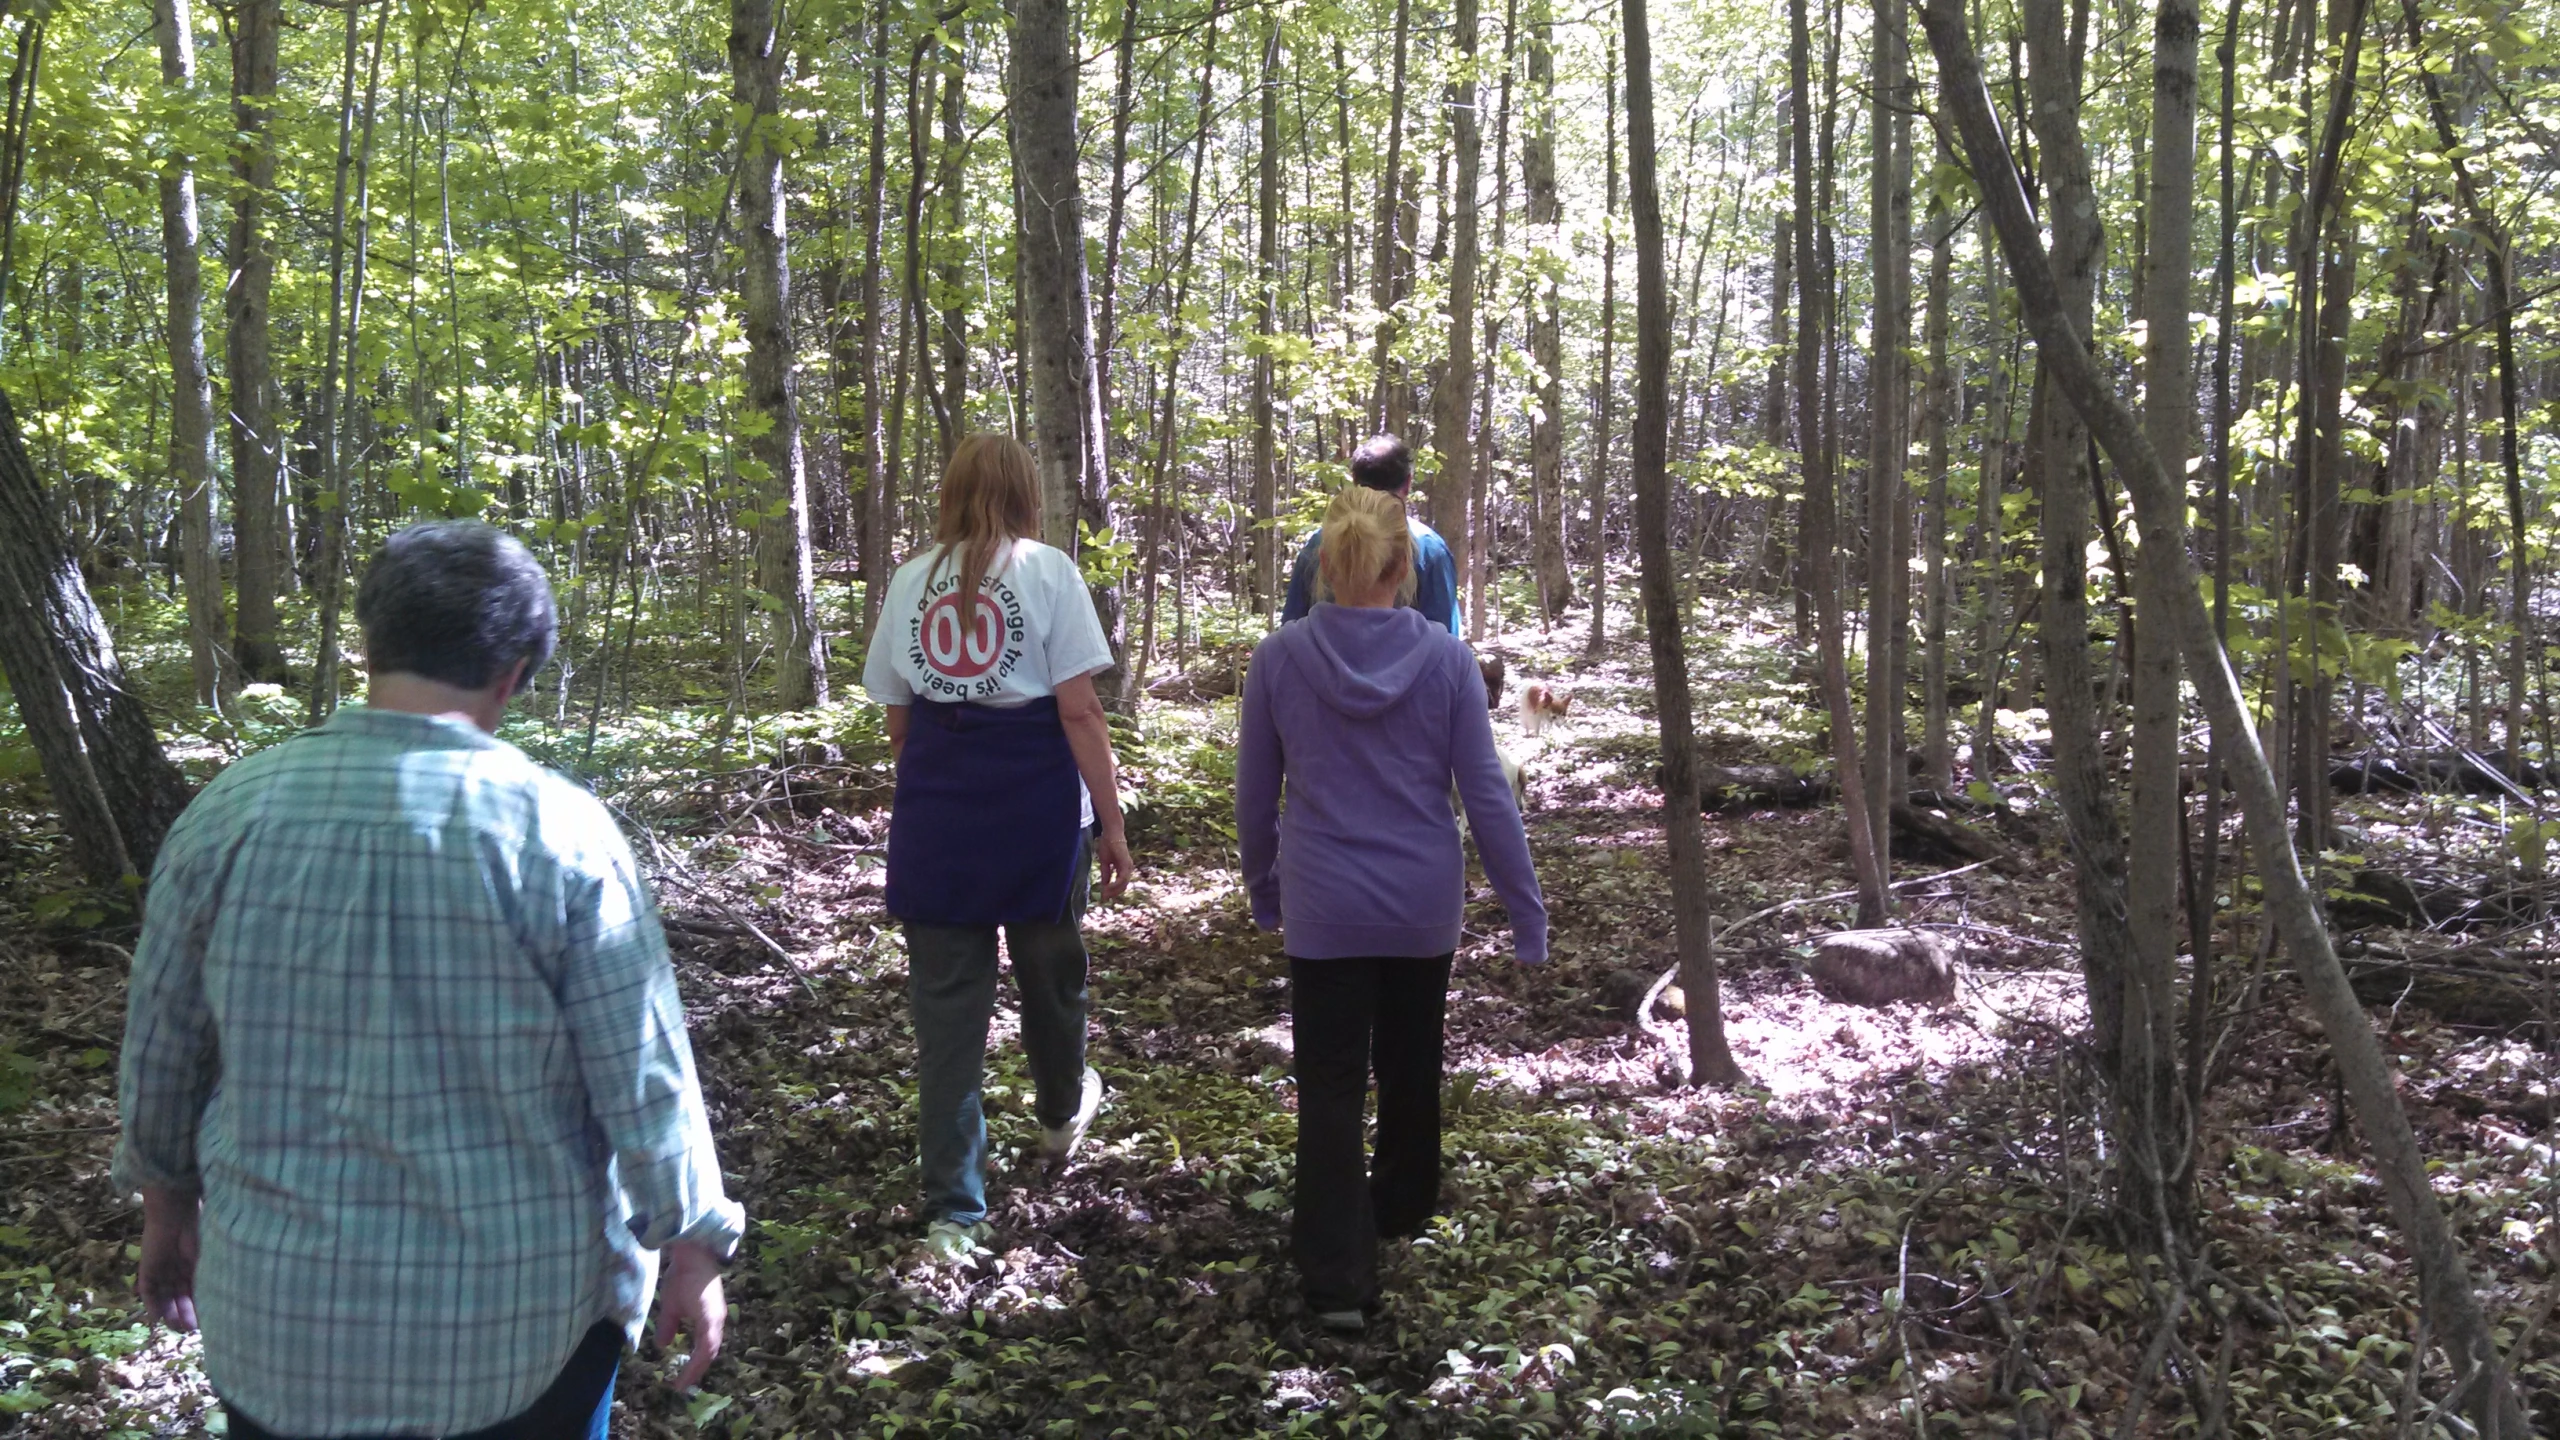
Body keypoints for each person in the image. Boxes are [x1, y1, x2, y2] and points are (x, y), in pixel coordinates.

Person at [115, 521, 743, 1440]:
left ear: (371, 644)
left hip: (279, 1320)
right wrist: (692, 1243)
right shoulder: (561, 834)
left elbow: (162, 1043)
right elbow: (641, 1070)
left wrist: (166, 1204)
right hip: (518, 1330)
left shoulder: (229, 814)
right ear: (516, 670)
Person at [1237, 485, 1547, 1337]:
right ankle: (1400, 1210)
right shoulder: (1449, 661)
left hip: (1324, 903)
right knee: (1412, 1059)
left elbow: (1255, 798)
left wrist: (1263, 889)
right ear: (1403, 566)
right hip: (1420, 902)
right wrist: (1526, 913)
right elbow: (1485, 795)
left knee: (1332, 1082)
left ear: (1325, 566)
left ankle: (1339, 1277)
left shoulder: (1279, 658)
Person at [863, 432, 1136, 1260]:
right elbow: (1081, 712)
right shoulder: (1049, 572)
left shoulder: (911, 580)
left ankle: (954, 1209)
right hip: (1037, 810)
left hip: (941, 810)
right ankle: (1059, 1116)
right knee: (1053, 976)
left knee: (948, 1012)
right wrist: (1112, 820)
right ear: (1025, 493)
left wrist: (948, 781)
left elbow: (899, 719)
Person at [1280, 434, 1462, 634]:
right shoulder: (1430, 550)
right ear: (1408, 483)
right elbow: (1446, 641)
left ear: (1355, 481)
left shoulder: (1321, 543)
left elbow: (1292, 627)